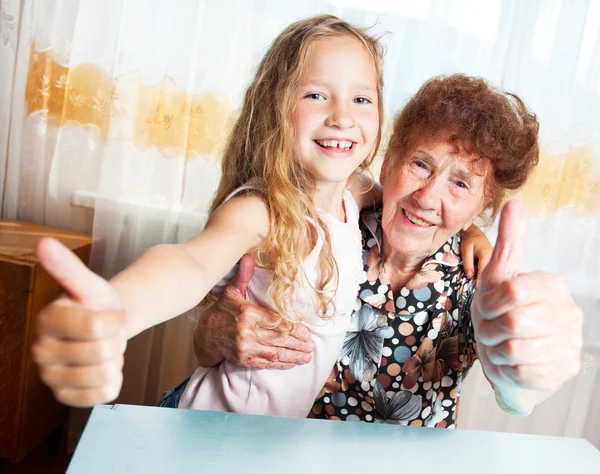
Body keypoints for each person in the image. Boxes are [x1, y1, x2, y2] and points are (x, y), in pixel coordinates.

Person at [30, 15, 492, 413]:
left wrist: (468, 229)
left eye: (361, 98)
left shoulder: (354, 195)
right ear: (277, 107)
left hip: (266, 441)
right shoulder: (264, 208)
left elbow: (421, 201)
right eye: (316, 95)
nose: (341, 116)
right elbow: (190, 262)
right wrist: (118, 309)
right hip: (210, 428)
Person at [186, 74, 584, 427]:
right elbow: (206, 350)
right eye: (421, 165)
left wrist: (525, 379)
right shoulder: (331, 224)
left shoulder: (479, 280)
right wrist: (215, 333)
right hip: (279, 456)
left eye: (461, 185)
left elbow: (516, 391)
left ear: (481, 210)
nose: (428, 197)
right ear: (388, 160)